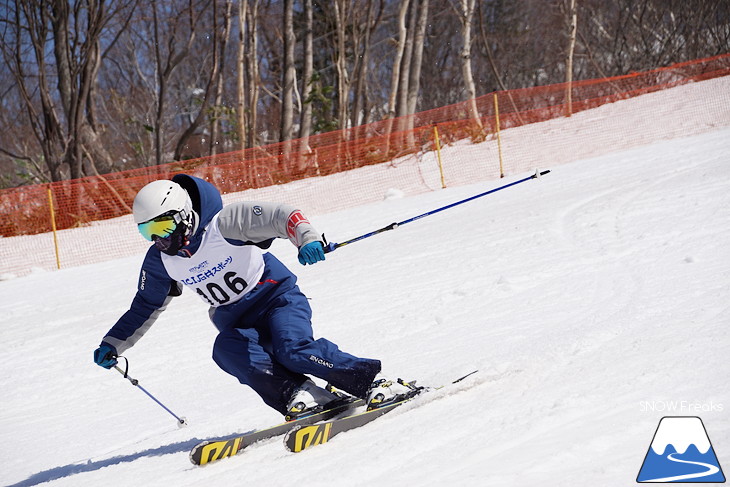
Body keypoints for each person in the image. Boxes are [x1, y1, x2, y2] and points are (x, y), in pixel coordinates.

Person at [93, 174, 417, 418]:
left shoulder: (226, 224)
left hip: (276, 299)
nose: (158, 240)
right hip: (236, 322)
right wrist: (113, 344)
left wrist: (306, 240)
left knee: (293, 349)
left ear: (184, 216)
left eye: (162, 228)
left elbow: (283, 215)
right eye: (147, 233)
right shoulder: (161, 261)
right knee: (225, 350)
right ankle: (300, 394)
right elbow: (145, 306)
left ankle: (375, 381)